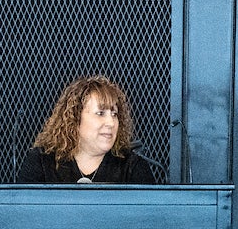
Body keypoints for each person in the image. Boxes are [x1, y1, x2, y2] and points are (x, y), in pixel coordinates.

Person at [15, 76, 160, 184]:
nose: (111, 122)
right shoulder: (42, 161)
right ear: (75, 118)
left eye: (114, 114)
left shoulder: (133, 166)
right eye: (100, 113)